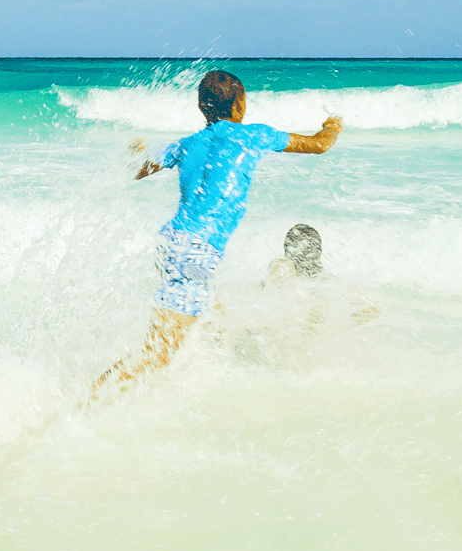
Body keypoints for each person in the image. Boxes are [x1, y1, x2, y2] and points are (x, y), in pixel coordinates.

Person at [95, 70, 343, 390]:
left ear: (202, 108)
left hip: (173, 243)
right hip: (195, 252)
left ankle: (208, 376)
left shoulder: (186, 145)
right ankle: (83, 406)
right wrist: (332, 125)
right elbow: (319, 145)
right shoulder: (254, 135)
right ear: (240, 105)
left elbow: (137, 170)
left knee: (212, 315)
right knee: (158, 355)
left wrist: (137, 150)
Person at [265, 223, 379, 324]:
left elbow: (265, 298)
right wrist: (336, 328)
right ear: (318, 252)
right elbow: (372, 309)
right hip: (313, 340)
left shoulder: (282, 273)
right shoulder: (329, 281)